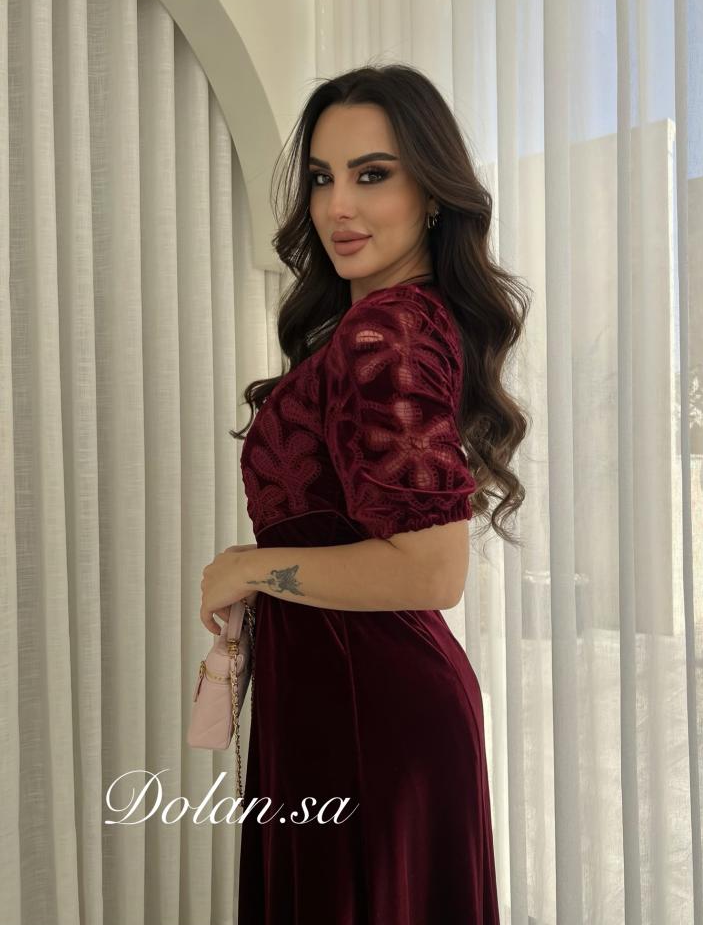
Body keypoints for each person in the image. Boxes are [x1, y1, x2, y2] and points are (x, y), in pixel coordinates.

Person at [227, 63, 531, 924]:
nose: (337, 207)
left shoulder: (387, 329)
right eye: (322, 178)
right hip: (348, 703)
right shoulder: (391, 324)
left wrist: (247, 568)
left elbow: (432, 572)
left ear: (431, 194)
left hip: (368, 716)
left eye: (372, 175)